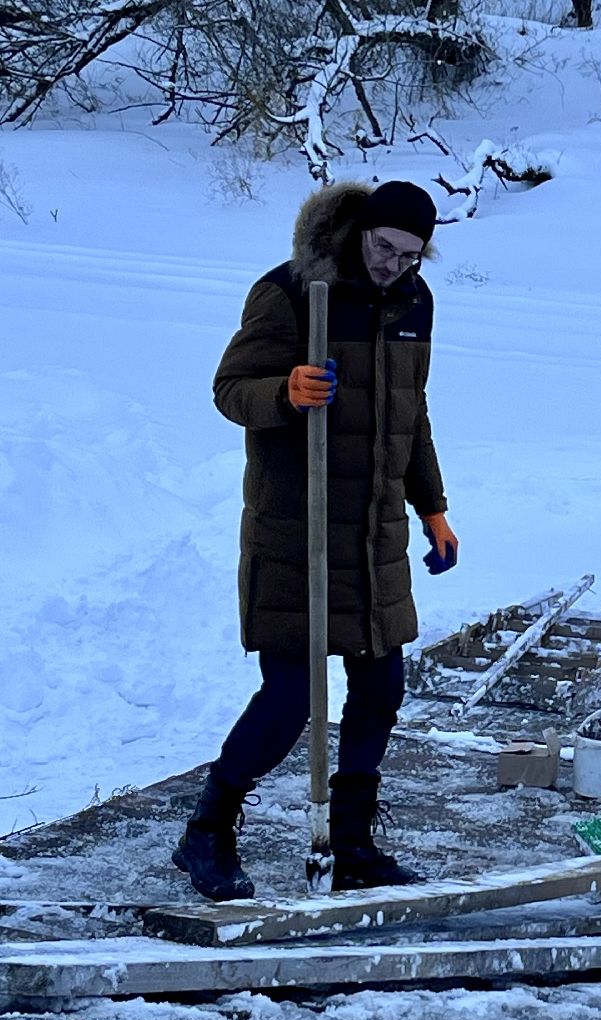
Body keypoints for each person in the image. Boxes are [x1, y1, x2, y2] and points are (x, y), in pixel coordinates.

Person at [173, 180, 460, 901]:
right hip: (296, 523)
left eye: (411, 254)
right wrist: (286, 391)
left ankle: (354, 840)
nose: (395, 264)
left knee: (381, 686)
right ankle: (207, 831)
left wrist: (433, 507)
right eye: (384, 247)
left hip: (372, 533)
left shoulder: (413, 303)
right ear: (360, 229)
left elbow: (409, 415)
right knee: (290, 696)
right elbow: (230, 388)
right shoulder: (294, 291)